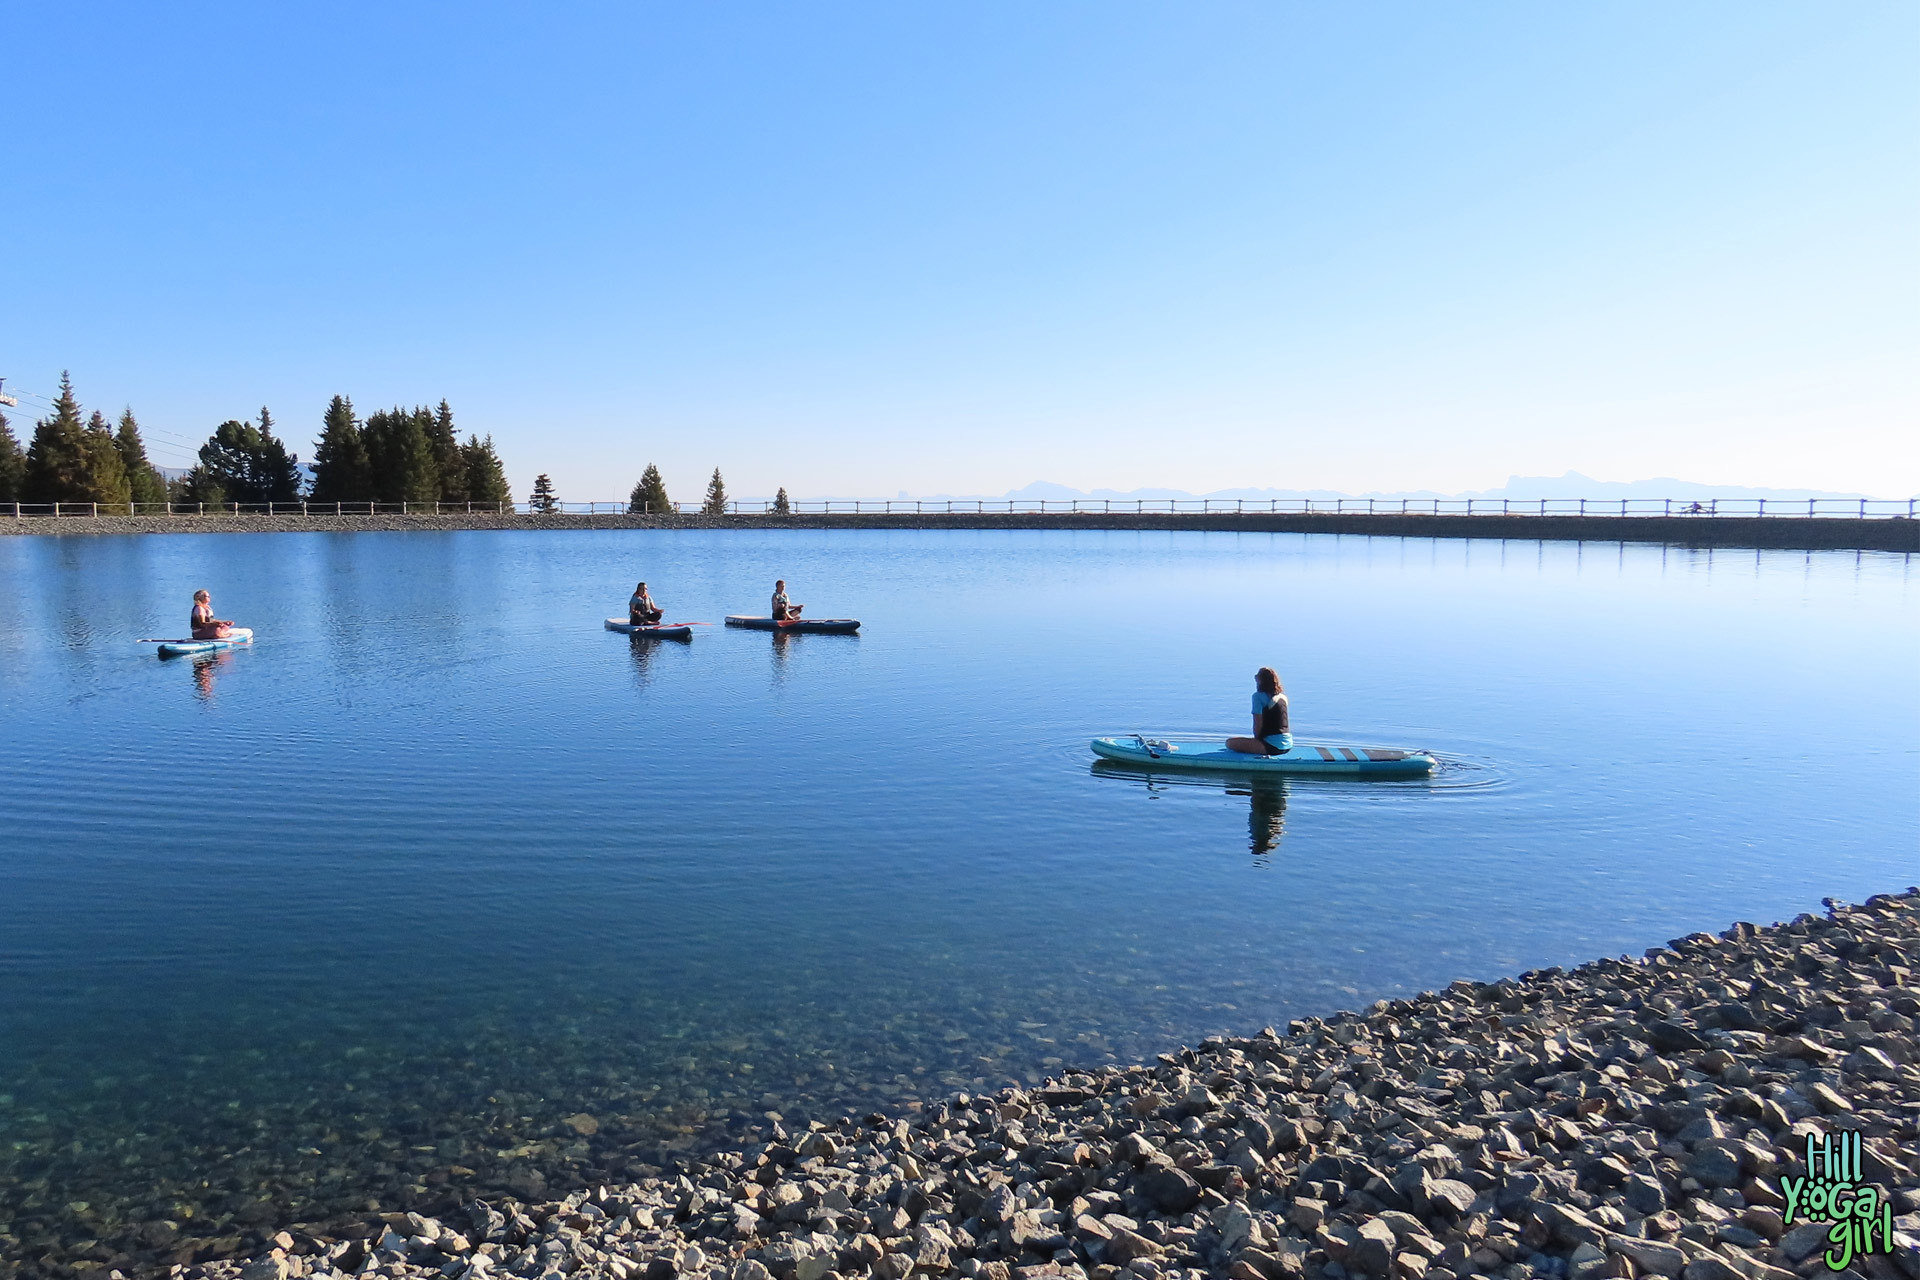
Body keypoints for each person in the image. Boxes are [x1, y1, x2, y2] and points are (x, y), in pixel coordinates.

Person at [1227, 667, 1292, 756]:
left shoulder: (1258, 697)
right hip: (1288, 745)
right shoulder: (1283, 697)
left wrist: (1256, 742)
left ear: (1261, 681)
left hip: (1271, 746)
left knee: (1230, 743)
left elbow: (1258, 725)